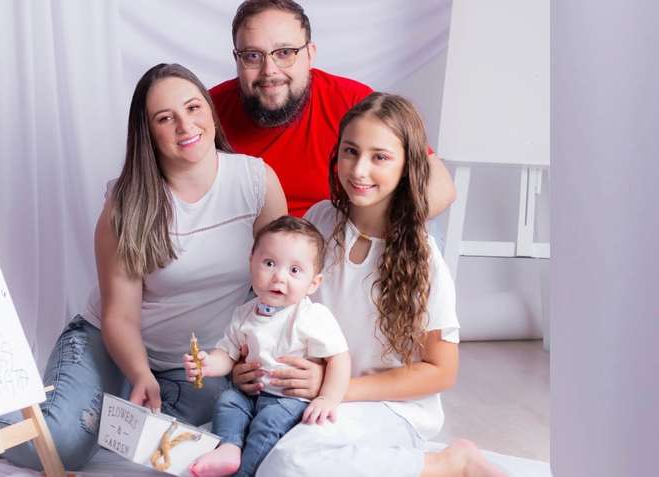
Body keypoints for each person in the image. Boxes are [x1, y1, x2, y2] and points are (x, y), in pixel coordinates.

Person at [0, 63, 287, 471]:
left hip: (196, 365)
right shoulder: (127, 201)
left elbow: (279, 285)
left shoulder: (256, 182)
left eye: (193, 108)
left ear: (210, 110)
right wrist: (138, 373)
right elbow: (119, 314)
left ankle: (103, 413)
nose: (185, 126)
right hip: (112, 346)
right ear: (148, 132)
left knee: (196, 445)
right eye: (165, 118)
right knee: (63, 444)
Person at [245, 93, 505, 476]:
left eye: (379, 157)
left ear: (406, 166)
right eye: (350, 151)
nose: (359, 170)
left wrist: (335, 387)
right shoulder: (319, 220)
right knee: (249, 453)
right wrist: (250, 365)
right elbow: (286, 312)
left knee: (289, 463)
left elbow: (440, 370)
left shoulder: (423, 257)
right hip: (317, 395)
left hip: (387, 405)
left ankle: (450, 463)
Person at [210, 0, 456, 217]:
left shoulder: (354, 103)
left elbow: (440, 187)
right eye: (253, 56)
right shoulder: (204, 114)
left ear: (310, 54)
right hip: (248, 258)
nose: (269, 70)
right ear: (237, 59)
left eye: (285, 53)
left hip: (338, 250)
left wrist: (372, 238)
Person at [183, 216, 351, 477]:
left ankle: (246, 472)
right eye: (269, 263)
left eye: (295, 271)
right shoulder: (244, 313)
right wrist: (207, 364)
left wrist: (327, 397)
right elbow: (227, 353)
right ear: (251, 263)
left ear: (313, 283)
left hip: (288, 399)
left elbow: (339, 358)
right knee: (228, 400)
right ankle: (229, 447)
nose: (278, 277)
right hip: (251, 394)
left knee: (267, 424)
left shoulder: (311, 316)